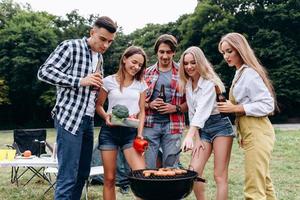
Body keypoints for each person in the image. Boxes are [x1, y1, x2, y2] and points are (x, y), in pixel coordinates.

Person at [37, 16, 117, 200]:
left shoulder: (99, 57)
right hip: (69, 118)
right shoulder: (71, 46)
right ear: (92, 32)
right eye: (103, 39)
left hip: (87, 120)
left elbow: (91, 88)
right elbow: (44, 71)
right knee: (68, 176)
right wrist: (80, 81)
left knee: (82, 174)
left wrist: (97, 89)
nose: (105, 45)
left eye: (110, 42)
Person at [218, 32, 277, 200]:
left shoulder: (250, 74)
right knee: (264, 184)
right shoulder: (240, 73)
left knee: (254, 189)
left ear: (240, 49)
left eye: (229, 51)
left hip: (258, 132)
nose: (226, 56)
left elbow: (267, 104)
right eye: (223, 53)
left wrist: (235, 107)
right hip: (251, 132)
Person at [179, 46, 235, 200]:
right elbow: (192, 113)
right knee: (194, 172)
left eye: (193, 62)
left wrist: (189, 135)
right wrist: (196, 138)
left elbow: (202, 111)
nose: (189, 67)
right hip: (202, 130)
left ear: (200, 62)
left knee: (219, 175)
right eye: (186, 63)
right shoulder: (188, 84)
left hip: (220, 127)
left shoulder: (210, 83)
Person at [96, 46, 147, 200]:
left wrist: (139, 134)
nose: (136, 67)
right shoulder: (108, 81)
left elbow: (143, 111)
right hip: (109, 133)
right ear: (125, 59)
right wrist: (106, 116)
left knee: (141, 176)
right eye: (134, 62)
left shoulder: (141, 84)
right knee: (110, 178)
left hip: (130, 133)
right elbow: (98, 105)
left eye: (140, 65)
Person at [143, 34, 187, 168]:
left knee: (171, 166)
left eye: (169, 52)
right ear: (157, 52)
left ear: (174, 52)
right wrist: (149, 104)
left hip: (173, 126)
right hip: (150, 125)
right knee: (148, 166)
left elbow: (192, 102)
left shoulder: (183, 72)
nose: (165, 56)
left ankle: (169, 190)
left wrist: (175, 108)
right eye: (162, 52)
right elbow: (136, 101)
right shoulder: (146, 73)